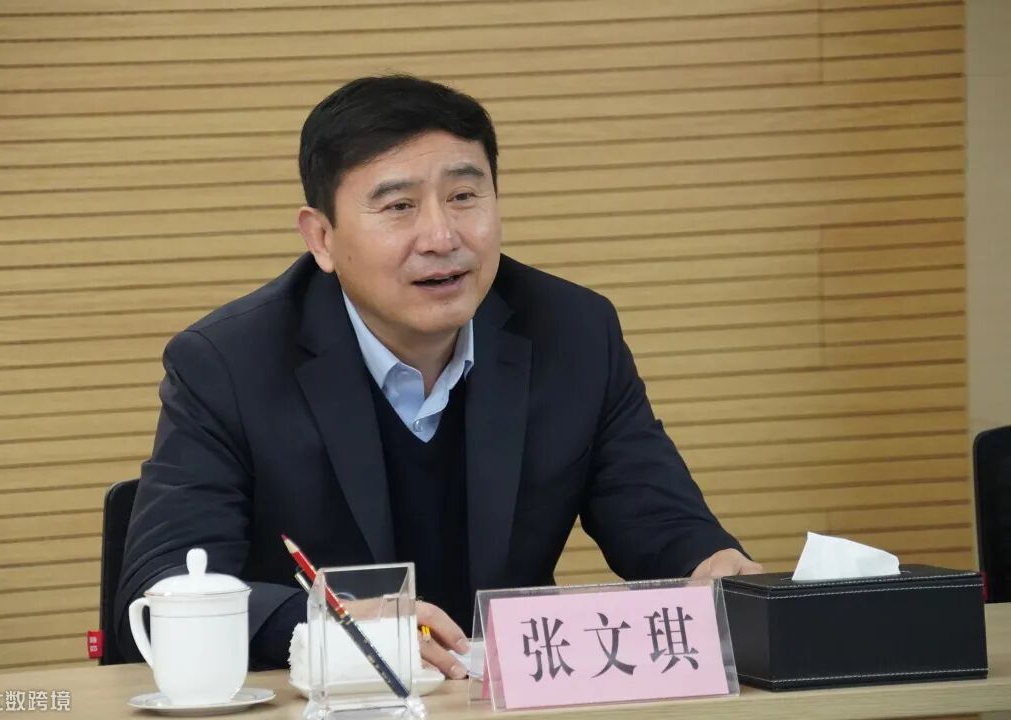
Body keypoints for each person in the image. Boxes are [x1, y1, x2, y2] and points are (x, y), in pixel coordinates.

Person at [114, 75, 762, 678]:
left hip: (502, 702)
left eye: (463, 197)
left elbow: (661, 522)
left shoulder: (572, 334)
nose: (441, 236)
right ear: (321, 239)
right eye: (398, 206)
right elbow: (161, 587)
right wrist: (326, 630)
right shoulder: (228, 363)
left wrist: (718, 570)